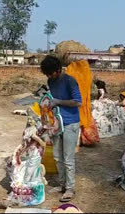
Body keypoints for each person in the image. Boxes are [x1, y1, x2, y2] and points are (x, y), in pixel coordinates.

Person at [40, 55, 82, 202]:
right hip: (56, 123)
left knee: (68, 158)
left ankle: (70, 188)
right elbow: (51, 97)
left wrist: (59, 102)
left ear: (58, 70)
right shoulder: (50, 81)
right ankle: (62, 184)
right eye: (47, 74)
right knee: (58, 156)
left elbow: (78, 102)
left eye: (50, 73)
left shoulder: (69, 81)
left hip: (70, 123)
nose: (49, 76)